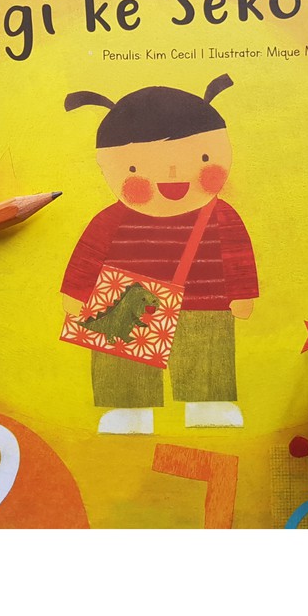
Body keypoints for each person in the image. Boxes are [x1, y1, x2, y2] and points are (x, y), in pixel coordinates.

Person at [61, 74, 258, 434]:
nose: (172, 174)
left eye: (202, 157)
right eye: (134, 168)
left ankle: (208, 402)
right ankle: (128, 409)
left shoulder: (220, 215)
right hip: (125, 298)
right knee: (123, 362)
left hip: (205, 301)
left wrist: (242, 293)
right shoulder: (111, 219)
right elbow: (89, 255)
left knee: (205, 350)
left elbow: (237, 255)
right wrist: (76, 291)